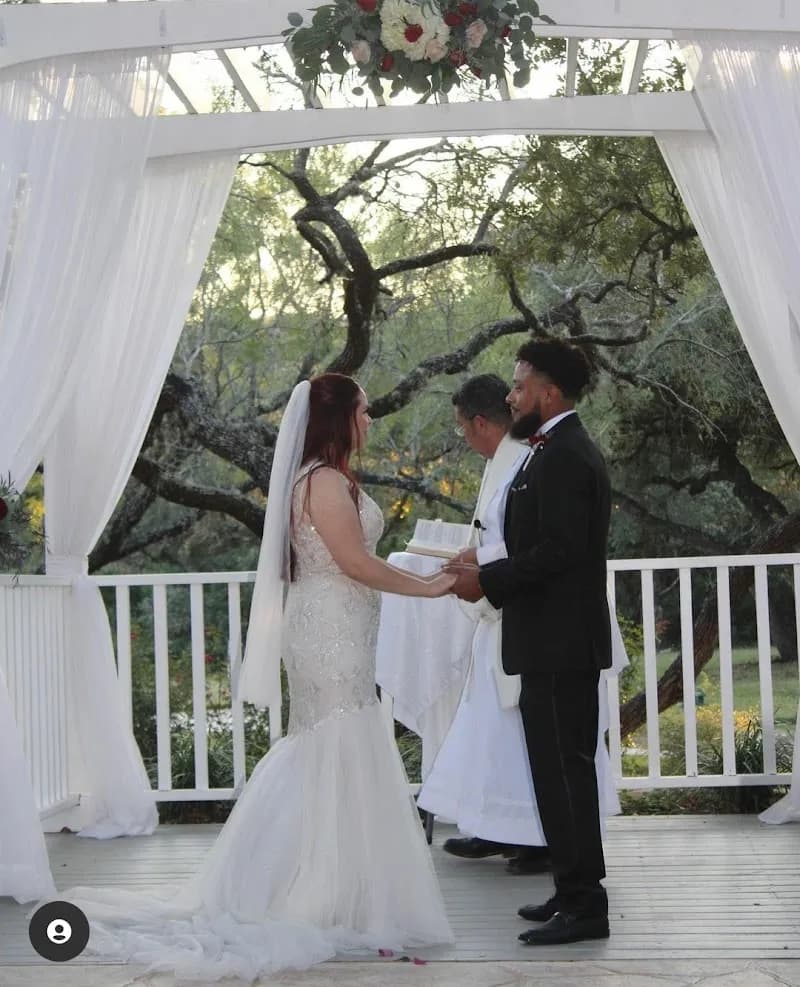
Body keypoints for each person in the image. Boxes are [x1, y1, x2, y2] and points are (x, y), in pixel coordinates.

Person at [42, 373, 455, 981]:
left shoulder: (323, 479)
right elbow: (354, 563)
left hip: (338, 623)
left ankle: (335, 883)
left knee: (335, 739)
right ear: (337, 419)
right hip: (329, 627)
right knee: (336, 736)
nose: (370, 422)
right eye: (363, 412)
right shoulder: (323, 481)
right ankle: (309, 888)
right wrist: (430, 587)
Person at [446, 340, 613, 946]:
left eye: (519, 387)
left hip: (563, 641)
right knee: (553, 773)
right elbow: (532, 541)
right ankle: (571, 891)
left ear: (548, 392)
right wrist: (483, 557)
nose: (511, 397)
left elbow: (560, 553)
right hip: (546, 638)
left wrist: (486, 580)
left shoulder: (566, 454)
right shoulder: (545, 452)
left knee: (568, 775)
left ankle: (587, 905)